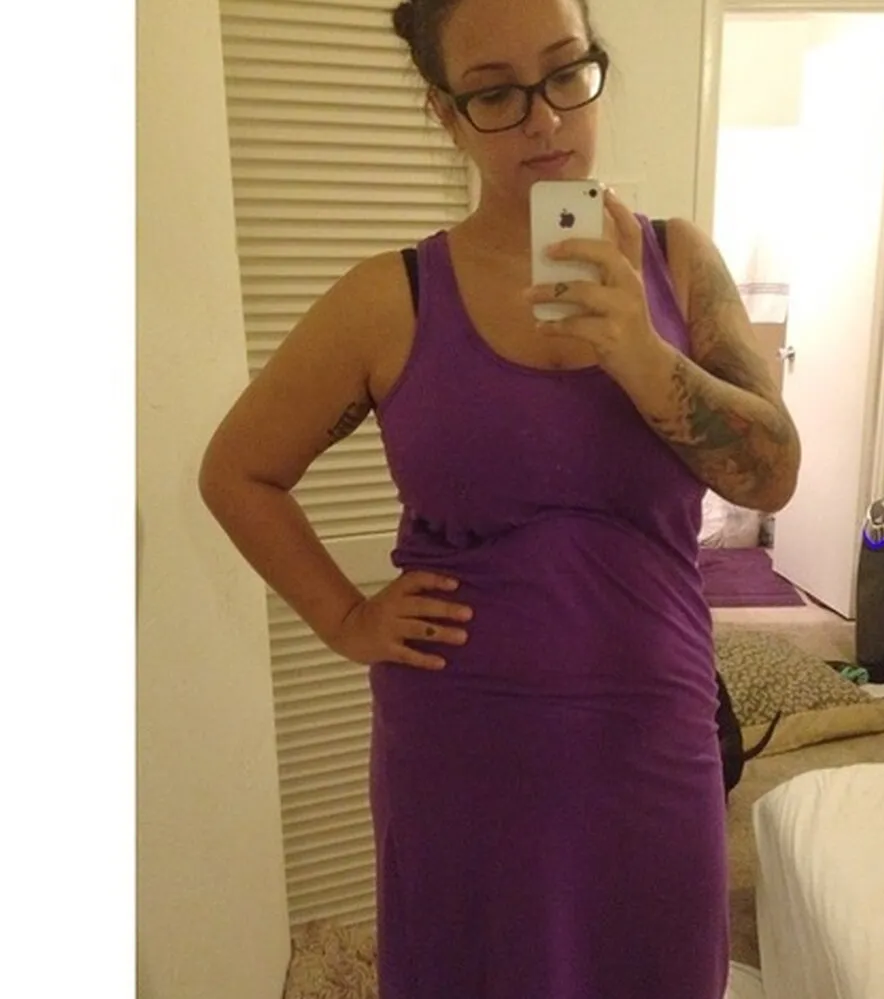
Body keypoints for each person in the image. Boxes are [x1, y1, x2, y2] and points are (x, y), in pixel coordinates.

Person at [199, 0, 801, 995]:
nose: (544, 120)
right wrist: (345, 617)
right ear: (446, 112)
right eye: (495, 94)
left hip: (650, 734)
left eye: (566, 73)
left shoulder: (680, 265)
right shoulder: (391, 296)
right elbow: (238, 471)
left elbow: (770, 472)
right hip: (459, 747)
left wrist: (638, 351)